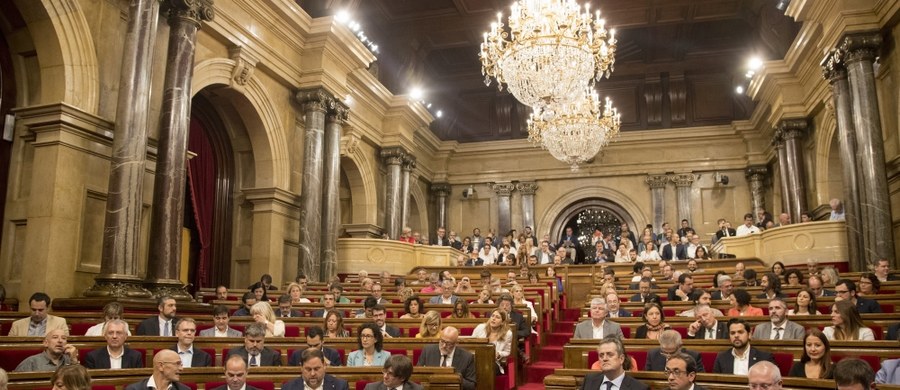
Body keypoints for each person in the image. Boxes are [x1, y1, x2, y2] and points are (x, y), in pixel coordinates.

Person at [583, 336, 649, 390]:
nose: (604, 359)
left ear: (621, 359)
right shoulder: (589, 380)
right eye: (601, 355)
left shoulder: (639, 388)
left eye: (610, 354)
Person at [15, 329, 79, 372]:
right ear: (46, 343)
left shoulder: (70, 360)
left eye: (63, 338)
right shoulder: (31, 362)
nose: (60, 341)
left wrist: (74, 359)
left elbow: (81, 382)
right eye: (55, 337)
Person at [282, 349, 349, 390]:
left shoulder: (340, 386)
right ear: (301, 368)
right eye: (308, 369)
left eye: (316, 369)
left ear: (324, 366)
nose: (312, 374)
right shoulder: (288, 388)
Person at [472, 309, 513, 374]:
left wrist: (499, 354)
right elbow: (471, 344)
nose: (494, 319)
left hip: (493, 362)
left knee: (486, 367)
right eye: (492, 316)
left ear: (502, 322)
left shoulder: (507, 334)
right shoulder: (480, 328)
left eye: (497, 317)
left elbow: (507, 352)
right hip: (477, 359)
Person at [124, 350, 190, 390]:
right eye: (177, 364)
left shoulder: (184, 389)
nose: (181, 369)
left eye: (181, 364)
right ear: (161, 366)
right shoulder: (134, 389)